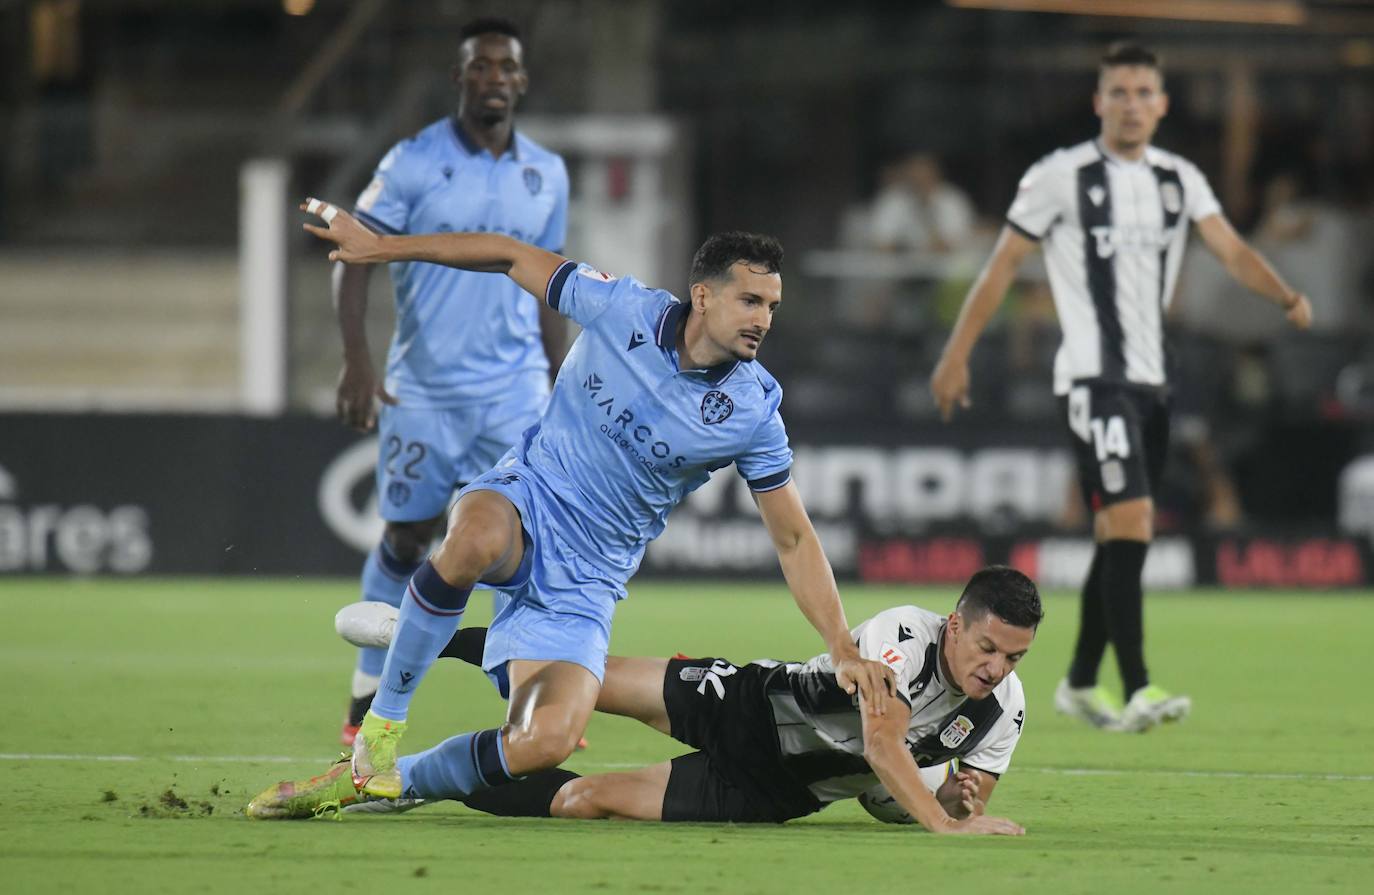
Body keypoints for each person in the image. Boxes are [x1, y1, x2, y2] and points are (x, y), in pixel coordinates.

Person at [298, 197, 898, 804]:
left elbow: (793, 539)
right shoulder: (619, 306)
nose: (763, 319)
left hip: (587, 578)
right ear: (703, 295)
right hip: (529, 497)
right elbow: (509, 255)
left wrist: (841, 647)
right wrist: (382, 248)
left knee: (544, 743)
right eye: (750, 300)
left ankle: (372, 787)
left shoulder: (752, 412)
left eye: (771, 306)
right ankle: (378, 732)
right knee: (474, 538)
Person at [929, 42, 1313, 733]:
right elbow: (1001, 266)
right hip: (1091, 379)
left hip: (1150, 384)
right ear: (1098, 102)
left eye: (1144, 92)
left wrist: (1285, 295)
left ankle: (1079, 680)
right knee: (1133, 522)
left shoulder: (1178, 179)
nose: (1132, 104)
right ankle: (1136, 684)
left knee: (1119, 534)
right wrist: (955, 354)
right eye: (1120, 92)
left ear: (1161, 104)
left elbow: (1228, 247)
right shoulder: (1059, 176)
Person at [248, 566, 1037, 836]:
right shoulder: (903, 631)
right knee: (580, 679)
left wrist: (958, 804)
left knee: (579, 801)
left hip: (774, 791)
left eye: (1013, 658)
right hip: (750, 703)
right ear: (956, 624)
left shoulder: (1005, 713)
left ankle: (403, 784)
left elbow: (918, 796)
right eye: (988, 648)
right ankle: (420, 636)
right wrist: (942, 821)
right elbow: (883, 748)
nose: (997, 669)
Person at [332, 18, 570, 747]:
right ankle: (367, 692)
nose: (494, 77)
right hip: (424, 392)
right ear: (460, 79)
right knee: (407, 539)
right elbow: (353, 255)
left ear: (522, 82)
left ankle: (529, 697)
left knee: (523, 543)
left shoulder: (547, 174)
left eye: (506, 67)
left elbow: (552, 281)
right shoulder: (411, 161)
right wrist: (358, 361)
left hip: (515, 392)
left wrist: (560, 383)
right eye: (480, 66)